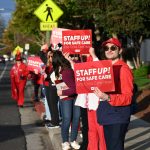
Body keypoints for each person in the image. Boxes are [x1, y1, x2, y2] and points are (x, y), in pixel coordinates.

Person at [93, 38, 134, 150]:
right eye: (106, 48)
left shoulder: (123, 69)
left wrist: (108, 97)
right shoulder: (106, 68)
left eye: (113, 48)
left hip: (118, 116)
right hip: (107, 114)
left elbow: (128, 97)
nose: (109, 50)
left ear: (120, 50)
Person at [52, 51, 81, 150]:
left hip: (75, 96)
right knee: (67, 119)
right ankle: (65, 141)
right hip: (67, 98)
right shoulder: (57, 71)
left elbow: (75, 88)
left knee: (76, 118)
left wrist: (70, 60)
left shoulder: (69, 68)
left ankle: (72, 140)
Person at [44, 48, 60, 128]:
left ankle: (55, 122)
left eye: (52, 56)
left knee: (53, 105)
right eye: (49, 56)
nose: (50, 58)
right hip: (48, 86)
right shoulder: (48, 65)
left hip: (54, 87)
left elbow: (57, 77)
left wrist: (48, 76)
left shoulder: (56, 65)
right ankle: (53, 121)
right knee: (50, 104)